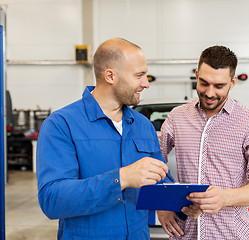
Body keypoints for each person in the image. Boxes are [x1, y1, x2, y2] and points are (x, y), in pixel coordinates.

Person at [36, 38, 172, 240]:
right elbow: (53, 200)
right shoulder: (61, 125)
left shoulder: (143, 126)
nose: (146, 83)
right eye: (139, 75)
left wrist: (179, 201)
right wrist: (122, 179)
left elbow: (160, 179)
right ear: (110, 76)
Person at [157, 45, 249, 240]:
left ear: (232, 82)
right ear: (196, 75)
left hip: (230, 234)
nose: (210, 93)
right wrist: (161, 206)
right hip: (185, 234)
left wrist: (225, 197)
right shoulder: (177, 117)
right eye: (204, 83)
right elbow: (153, 164)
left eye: (219, 86)